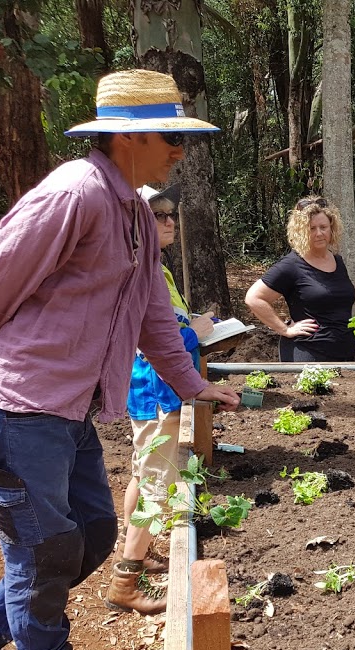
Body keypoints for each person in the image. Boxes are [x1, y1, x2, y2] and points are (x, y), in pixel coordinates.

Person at [0, 69, 239, 650]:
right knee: (43, 552)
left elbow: (155, 315)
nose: (181, 151)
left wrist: (193, 385)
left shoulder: (130, 209)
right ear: (129, 137)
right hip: (19, 404)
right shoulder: (72, 196)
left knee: (94, 533)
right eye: (171, 137)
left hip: (67, 407)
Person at [105, 184, 219, 614]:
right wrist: (198, 332)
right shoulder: (141, 271)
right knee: (158, 485)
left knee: (141, 472)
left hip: (149, 390)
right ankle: (125, 581)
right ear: (135, 224)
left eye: (172, 215)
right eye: (159, 215)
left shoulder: (156, 267)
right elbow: (150, 337)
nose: (170, 222)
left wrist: (193, 326)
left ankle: (136, 548)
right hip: (157, 389)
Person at [245, 197, 355, 362]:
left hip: (346, 355)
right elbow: (253, 298)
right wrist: (284, 329)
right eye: (312, 228)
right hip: (309, 355)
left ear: (332, 228)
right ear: (301, 231)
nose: (319, 233)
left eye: (323, 227)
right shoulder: (291, 264)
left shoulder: (338, 261)